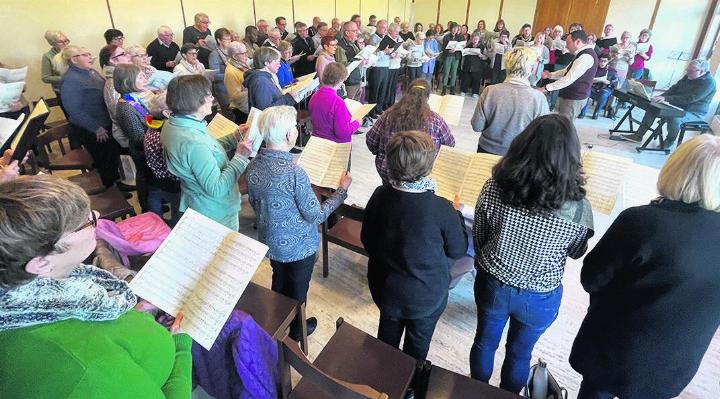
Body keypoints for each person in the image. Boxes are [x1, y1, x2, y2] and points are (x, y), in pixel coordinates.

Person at [0, 175, 192, 397]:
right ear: (41, 263)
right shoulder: (83, 370)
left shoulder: (36, 292)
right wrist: (181, 346)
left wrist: (137, 315)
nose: (98, 216)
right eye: (86, 222)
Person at [570, 134, 720, 399]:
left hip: (613, 349)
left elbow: (591, 279)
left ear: (676, 169)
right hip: (676, 361)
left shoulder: (640, 221)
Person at [470, 114, 593, 394]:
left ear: (522, 145)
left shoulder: (495, 186)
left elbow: (480, 232)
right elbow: (576, 251)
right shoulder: (579, 207)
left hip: (493, 279)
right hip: (541, 295)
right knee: (520, 353)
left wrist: (485, 260)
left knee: (484, 342)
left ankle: (475, 391)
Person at [247, 105, 352, 341]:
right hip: (299, 247)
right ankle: (296, 330)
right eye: (294, 127)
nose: (296, 130)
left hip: (271, 241)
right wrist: (341, 192)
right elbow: (315, 215)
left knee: (279, 280)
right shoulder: (294, 173)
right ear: (289, 136)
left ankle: (277, 320)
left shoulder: (253, 166)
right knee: (298, 289)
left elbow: (255, 204)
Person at [361, 130, 467, 361]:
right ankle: (410, 386)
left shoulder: (379, 195)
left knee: (386, 339)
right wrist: (456, 214)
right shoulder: (442, 208)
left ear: (389, 162)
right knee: (416, 348)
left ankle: (384, 381)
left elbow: (367, 241)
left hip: (385, 289)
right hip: (425, 297)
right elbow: (458, 251)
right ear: (428, 166)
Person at [160, 75, 253, 230]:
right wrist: (240, 157)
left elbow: (209, 149)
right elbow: (216, 189)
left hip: (197, 201)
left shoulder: (176, 122)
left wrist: (234, 137)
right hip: (214, 211)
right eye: (208, 94)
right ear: (195, 101)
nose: (212, 98)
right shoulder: (193, 141)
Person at [114, 64, 178, 221]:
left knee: (155, 184)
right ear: (128, 81)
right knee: (149, 184)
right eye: (140, 77)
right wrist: (161, 139)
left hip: (151, 146)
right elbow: (137, 137)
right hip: (143, 151)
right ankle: (151, 214)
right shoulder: (125, 107)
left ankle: (156, 208)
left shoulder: (140, 96)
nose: (145, 79)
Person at [366, 79, 455, 184]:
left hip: (389, 172)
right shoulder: (435, 120)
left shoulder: (388, 114)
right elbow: (450, 145)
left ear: (407, 93)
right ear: (427, 97)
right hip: (422, 174)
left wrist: (383, 153)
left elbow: (371, 141)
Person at [59, 45, 122, 188]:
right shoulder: (71, 80)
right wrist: (96, 128)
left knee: (111, 156)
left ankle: (116, 183)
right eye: (85, 54)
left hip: (104, 122)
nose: (90, 56)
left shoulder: (90, 71)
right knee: (103, 160)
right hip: (93, 128)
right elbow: (73, 110)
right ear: (74, 60)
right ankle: (110, 191)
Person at [621, 59, 716, 148]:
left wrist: (666, 98)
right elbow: (674, 88)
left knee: (674, 117)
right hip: (677, 106)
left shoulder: (708, 83)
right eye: (687, 70)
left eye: (691, 71)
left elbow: (691, 98)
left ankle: (670, 141)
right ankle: (638, 135)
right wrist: (661, 97)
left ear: (702, 71)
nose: (687, 72)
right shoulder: (688, 76)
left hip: (694, 112)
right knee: (652, 108)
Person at [471, 47, 549, 155]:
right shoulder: (539, 99)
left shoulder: (490, 91)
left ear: (507, 65)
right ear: (531, 69)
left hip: (487, 152)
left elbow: (477, 126)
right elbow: (542, 136)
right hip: (519, 157)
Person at [540, 30, 599, 120]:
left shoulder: (586, 57)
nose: (566, 46)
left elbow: (568, 79)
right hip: (570, 95)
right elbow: (566, 71)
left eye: (568, 43)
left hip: (575, 98)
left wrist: (546, 88)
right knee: (561, 123)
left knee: (565, 126)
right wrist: (550, 75)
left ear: (578, 42)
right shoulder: (581, 53)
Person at [309, 62, 361, 143]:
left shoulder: (314, 96)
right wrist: (357, 123)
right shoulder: (338, 102)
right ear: (340, 80)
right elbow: (343, 133)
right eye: (343, 80)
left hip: (317, 141)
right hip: (334, 145)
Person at [99, 44, 133, 150]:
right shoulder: (113, 84)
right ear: (113, 60)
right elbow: (120, 114)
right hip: (128, 134)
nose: (129, 56)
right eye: (123, 54)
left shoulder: (122, 76)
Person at [578, 54, 617, 119]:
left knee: (604, 95)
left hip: (605, 88)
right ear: (598, 60)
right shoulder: (593, 68)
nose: (602, 63)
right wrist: (596, 80)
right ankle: (583, 112)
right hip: (593, 87)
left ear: (608, 62)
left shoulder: (612, 70)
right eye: (601, 61)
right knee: (586, 91)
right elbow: (587, 79)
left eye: (605, 61)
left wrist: (606, 81)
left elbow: (614, 83)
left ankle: (596, 112)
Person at [367, 20, 391, 122]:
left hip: (385, 66)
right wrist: (383, 51)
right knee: (375, 90)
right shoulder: (373, 38)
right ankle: (372, 111)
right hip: (376, 67)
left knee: (382, 89)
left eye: (386, 28)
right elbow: (372, 54)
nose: (384, 30)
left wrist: (390, 52)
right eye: (382, 27)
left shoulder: (384, 37)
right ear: (377, 27)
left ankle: (379, 109)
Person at [335, 21, 363, 100]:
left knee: (356, 106)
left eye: (357, 30)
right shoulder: (340, 47)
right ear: (347, 33)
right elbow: (342, 66)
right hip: (349, 82)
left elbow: (359, 57)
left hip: (357, 78)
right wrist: (357, 61)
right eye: (354, 31)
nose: (357, 33)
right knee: (349, 107)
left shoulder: (353, 43)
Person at [224, 41, 251, 123]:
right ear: (235, 56)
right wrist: (252, 89)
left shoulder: (242, 64)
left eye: (247, 52)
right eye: (243, 53)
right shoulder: (231, 72)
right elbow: (235, 96)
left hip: (247, 104)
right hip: (241, 109)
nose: (247, 55)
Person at [209, 28, 232, 117]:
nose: (229, 41)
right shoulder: (214, 54)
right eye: (227, 39)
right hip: (222, 88)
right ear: (219, 40)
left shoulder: (231, 52)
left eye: (230, 39)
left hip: (232, 86)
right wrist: (231, 75)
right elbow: (214, 75)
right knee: (228, 113)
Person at [460, 33, 488, 98]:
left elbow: (486, 57)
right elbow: (464, 56)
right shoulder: (468, 46)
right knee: (466, 79)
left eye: (476, 39)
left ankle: (475, 92)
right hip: (468, 65)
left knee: (476, 80)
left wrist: (481, 56)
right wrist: (462, 64)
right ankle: (463, 91)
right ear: (471, 39)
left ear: (479, 39)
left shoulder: (482, 47)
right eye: (474, 39)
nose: (475, 40)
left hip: (478, 67)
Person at [441, 23, 464, 95]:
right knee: (446, 72)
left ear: (458, 29)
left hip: (456, 56)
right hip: (448, 56)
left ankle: (452, 89)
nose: (454, 30)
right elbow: (443, 48)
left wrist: (458, 49)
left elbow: (462, 46)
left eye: (456, 28)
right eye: (453, 28)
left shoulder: (460, 37)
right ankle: (444, 89)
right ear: (451, 29)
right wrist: (448, 50)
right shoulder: (446, 37)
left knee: (454, 73)